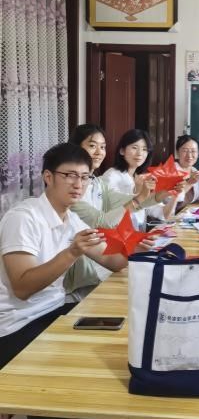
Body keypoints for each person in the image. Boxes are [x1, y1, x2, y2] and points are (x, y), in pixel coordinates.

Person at [0, 143, 127, 419]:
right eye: (69, 175)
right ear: (48, 177)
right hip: (15, 325)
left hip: (55, 313)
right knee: (72, 362)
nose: (78, 184)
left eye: (84, 177)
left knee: (114, 339)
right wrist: (71, 253)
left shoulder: (71, 220)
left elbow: (113, 261)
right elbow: (23, 287)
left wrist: (144, 249)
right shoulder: (23, 218)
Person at [65, 124, 162, 297]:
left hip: (103, 261)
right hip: (82, 274)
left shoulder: (98, 183)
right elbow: (103, 221)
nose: (99, 152)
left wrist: (165, 192)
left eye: (102, 147)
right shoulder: (71, 189)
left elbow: (132, 202)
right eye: (92, 146)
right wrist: (139, 198)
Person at [102, 129, 179, 228]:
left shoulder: (140, 178)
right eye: (134, 147)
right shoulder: (111, 176)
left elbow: (163, 214)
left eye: (144, 149)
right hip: (118, 233)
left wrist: (175, 193)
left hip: (138, 232)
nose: (139, 153)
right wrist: (138, 191)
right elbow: (114, 214)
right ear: (122, 150)